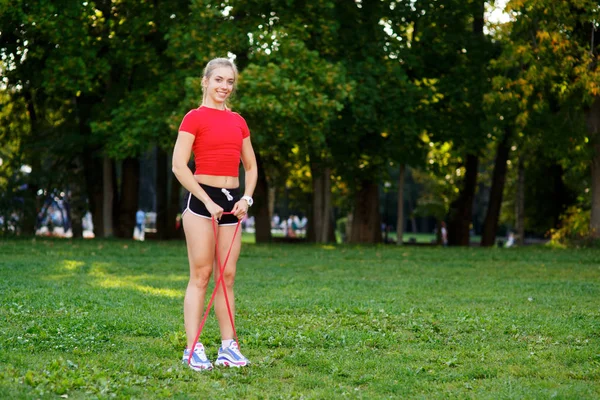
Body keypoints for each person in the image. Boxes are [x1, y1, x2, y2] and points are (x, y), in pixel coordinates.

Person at [172, 57, 257, 371]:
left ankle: (228, 347)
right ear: (205, 81)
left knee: (227, 277)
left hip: (233, 202)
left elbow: (250, 166)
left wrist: (246, 198)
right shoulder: (193, 117)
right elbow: (179, 165)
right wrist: (206, 201)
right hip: (200, 202)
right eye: (218, 80)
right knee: (202, 275)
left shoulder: (238, 121)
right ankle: (193, 348)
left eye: (229, 81)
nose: (224, 86)